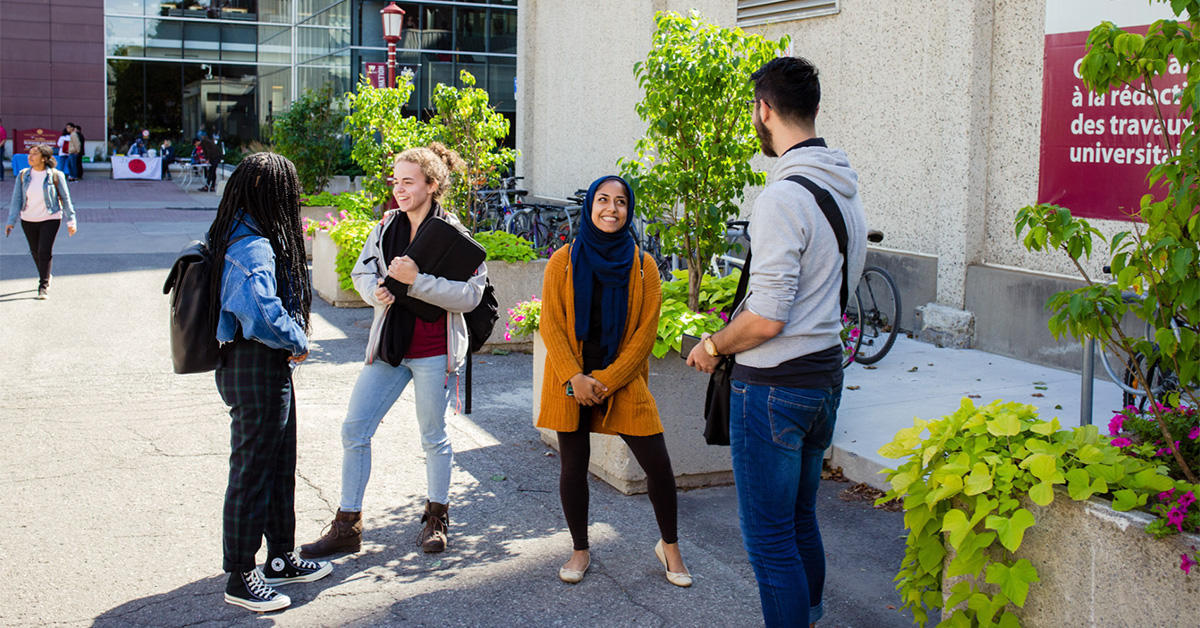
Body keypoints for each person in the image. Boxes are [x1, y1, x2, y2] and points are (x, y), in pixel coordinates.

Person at [685, 57, 867, 627]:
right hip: (823, 378)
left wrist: (713, 345)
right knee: (799, 522)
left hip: (773, 390)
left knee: (768, 542)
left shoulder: (782, 197)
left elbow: (766, 317)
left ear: (764, 109)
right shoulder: (845, 190)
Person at [299, 143, 486, 559]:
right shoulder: (386, 226)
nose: (399, 190)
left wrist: (417, 281)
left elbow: (472, 295)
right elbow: (362, 270)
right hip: (390, 348)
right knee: (355, 429)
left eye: (408, 182)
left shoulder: (454, 233)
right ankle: (347, 525)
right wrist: (376, 291)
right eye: (395, 181)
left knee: (432, 436)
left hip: (434, 350)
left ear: (432, 185)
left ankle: (436, 518)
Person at [536, 175, 691, 587]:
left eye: (620, 202)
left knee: (658, 468)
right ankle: (580, 549)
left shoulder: (644, 266)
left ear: (629, 210)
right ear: (589, 207)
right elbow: (550, 324)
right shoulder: (562, 261)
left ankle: (670, 548)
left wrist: (604, 381)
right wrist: (576, 376)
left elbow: (644, 336)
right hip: (571, 378)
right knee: (573, 467)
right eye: (602, 200)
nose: (611, 208)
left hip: (619, 379)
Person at [208, 152, 332, 612]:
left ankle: (281, 556)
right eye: (290, 191)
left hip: (261, 365)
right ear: (272, 193)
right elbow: (261, 311)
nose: (294, 200)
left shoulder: (239, 228)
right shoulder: (252, 244)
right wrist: (297, 337)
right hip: (255, 363)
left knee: (279, 464)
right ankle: (241, 574)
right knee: (253, 471)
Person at [4, 144, 76, 300]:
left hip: (50, 217)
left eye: (34, 154)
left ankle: (43, 286)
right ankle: (46, 274)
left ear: (44, 158)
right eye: (29, 153)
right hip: (28, 219)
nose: (30, 156)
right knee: (35, 251)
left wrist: (71, 220)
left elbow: (65, 198)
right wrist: (11, 221)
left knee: (44, 250)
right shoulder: (23, 175)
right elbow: (16, 199)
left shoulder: (56, 175)